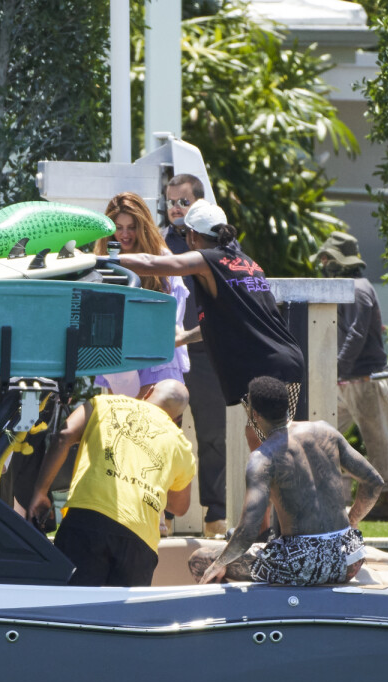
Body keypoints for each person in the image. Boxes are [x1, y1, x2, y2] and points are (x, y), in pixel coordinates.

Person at [116, 199, 305, 449]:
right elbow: (228, 321)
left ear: (193, 236)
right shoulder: (247, 262)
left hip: (267, 365)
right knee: (260, 438)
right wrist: (183, 339)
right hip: (281, 359)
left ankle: (287, 485)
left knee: (270, 450)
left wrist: (102, 260)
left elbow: (153, 265)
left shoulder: (209, 260)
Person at [193, 376, 383, 587]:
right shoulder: (325, 431)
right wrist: (352, 520)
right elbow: (374, 481)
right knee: (267, 548)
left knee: (200, 560)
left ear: (254, 414)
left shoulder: (263, 457)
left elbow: (248, 529)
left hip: (302, 565)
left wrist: (219, 563)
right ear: (287, 407)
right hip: (349, 559)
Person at [27, 380, 196, 587]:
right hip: (140, 538)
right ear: (177, 418)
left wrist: (41, 491)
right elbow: (180, 507)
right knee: (123, 617)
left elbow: (64, 435)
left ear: (148, 392)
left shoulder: (104, 404)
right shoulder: (181, 444)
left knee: (70, 608)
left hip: (88, 521)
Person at [317, 231, 388, 522]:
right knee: (323, 434)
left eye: (328, 258)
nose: (324, 264)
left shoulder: (356, 288)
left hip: (364, 378)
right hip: (350, 379)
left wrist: (335, 368)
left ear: (340, 261)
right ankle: (323, 490)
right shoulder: (350, 287)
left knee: (377, 441)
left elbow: (356, 333)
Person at [162, 174, 227, 536]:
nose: (175, 208)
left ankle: (215, 515)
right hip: (167, 354)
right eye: (171, 201)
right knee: (166, 434)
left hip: (205, 353)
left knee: (212, 436)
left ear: (198, 204)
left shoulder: (214, 244)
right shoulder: (159, 243)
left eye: (183, 202)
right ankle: (165, 517)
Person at [93, 192, 189, 399]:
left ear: (143, 226)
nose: (124, 234)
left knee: (152, 426)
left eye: (132, 227)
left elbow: (174, 317)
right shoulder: (103, 259)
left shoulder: (162, 259)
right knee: (122, 424)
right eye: (118, 228)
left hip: (158, 357)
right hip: (118, 359)